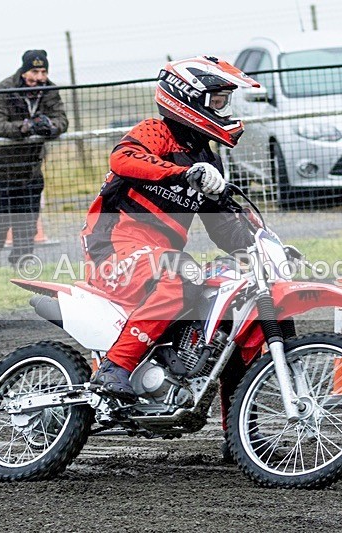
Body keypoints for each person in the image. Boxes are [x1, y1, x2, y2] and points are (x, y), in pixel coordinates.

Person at [81, 56, 260, 402]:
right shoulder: (155, 131)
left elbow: (222, 227)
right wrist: (182, 174)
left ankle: (240, 433)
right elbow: (123, 159)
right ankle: (115, 367)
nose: (224, 109)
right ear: (189, 99)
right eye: (218, 101)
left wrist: (261, 245)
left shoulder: (209, 161)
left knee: (233, 301)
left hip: (161, 254)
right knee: (180, 274)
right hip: (114, 244)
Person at [0, 49, 68, 268]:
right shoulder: (4, 89)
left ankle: (21, 261)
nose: (39, 77)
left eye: (43, 71)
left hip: (31, 167)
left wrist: (49, 126)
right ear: (24, 70)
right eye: (34, 71)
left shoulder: (49, 90)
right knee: (1, 218)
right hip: (1, 167)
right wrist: (25, 127)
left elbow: (62, 120)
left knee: (28, 218)